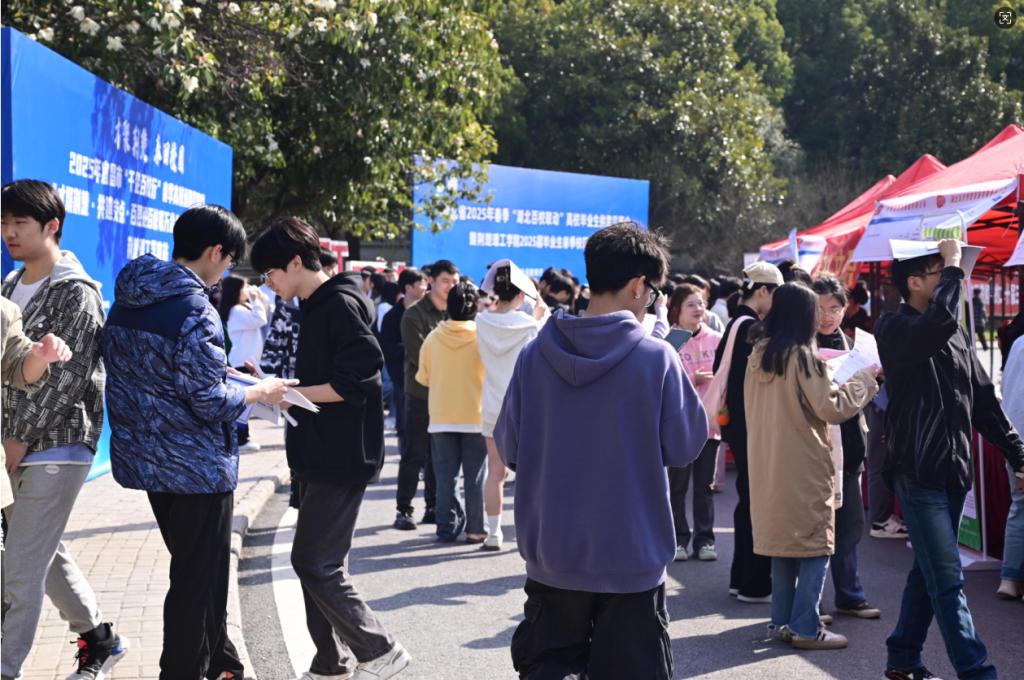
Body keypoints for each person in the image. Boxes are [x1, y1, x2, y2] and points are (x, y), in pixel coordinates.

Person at [494, 222, 708, 679]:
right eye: (654, 292)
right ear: (638, 286)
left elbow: (510, 448)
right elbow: (685, 445)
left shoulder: (534, 355)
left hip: (553, 556)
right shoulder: (657, 358)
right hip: (632, 558)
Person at [101, 204, 294, 679]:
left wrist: (222, 372)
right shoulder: (195, 309)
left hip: (147, 462)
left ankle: (225, 665)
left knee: (199, 574)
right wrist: (260, 391)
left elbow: (156, 375)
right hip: (196, 468)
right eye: (229, 261)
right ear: (215, 251)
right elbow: (208, 401)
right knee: (195, 582)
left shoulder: (129, 297)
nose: (227, 271)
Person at [251, 217, 411, 680]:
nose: (267, 283)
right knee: (319, 563)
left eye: (269, 273)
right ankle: (329, 662)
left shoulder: (339, 303)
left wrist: (286, 395)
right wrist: (280, 388)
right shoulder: (316, 303)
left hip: (341, 454)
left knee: (313, 561)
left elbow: (358, 379)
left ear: (294, 262)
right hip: (318, 450)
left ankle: (380, 650)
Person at [876, 239, 1024, 680]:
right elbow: (936, 323)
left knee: (928, 572)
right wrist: (956, 265)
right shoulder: (893, 326)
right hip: (916, 469)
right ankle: (978, 672)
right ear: (914, 283)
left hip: (954, 471)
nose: (952, 279)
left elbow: (984, 402)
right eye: (940, 273)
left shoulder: (954, 333)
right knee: (947, 577)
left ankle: (903, 658)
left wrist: (1017, 452)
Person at [0, 179, 127, 680]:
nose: (9, 232)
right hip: (12, 445)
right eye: (4, 223)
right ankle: (99, 639)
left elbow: (68, 381)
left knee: (19, 570)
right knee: (42, 554)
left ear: (52, 226)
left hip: (58, 445)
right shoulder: (10, 287)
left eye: (20, 222)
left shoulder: (77, 292)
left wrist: (19, 439)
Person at [745, 283, 879, 650]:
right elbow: (831, 408)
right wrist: (865, 378)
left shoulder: (759, 354)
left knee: (783, 546)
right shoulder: (802, 356)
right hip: (804, 463)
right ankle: (806, 626)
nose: (821, 317)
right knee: (817, 545)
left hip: (768, 462)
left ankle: (782, 621)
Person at [812, 276, 882, 620]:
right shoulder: (800, 349)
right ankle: (811, 603)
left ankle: (850, 595)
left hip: (851, 447)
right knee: (815, 530)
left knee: (850, 527)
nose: (828, 316)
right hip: (816, 451)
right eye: (820, 308)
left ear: (846, 309)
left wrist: (872, 377)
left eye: (835, 308)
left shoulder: (856, 347)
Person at [712, 261, 782, 603]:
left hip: (738, 425)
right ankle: (754, 583)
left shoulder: (735, 322)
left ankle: (741, 579)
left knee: (748, 500)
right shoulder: (752, 327)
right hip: (751, 425)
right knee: (757, 503)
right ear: (764, 290)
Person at [477, 260, 548, 551]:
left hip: (492, 403)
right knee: (532, 475)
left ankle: (493, 533)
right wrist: (539, 314)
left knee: (495, 472)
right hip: (526, 405)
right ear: (521, 294)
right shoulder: (531, 325)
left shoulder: (481, 321)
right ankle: (531, 533)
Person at [415, 282, 487, 543]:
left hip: (441, 416)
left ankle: (446, 528)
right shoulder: (483, 337)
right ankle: (476, 529)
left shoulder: (434, 338)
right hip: (476, 415)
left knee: (445, 478)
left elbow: (423, 378)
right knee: (475, 477)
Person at [393, 260, 458, 531]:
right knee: (414, 453)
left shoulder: (457, 313)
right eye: (445, 281)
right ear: (431, 281)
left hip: (446, 394)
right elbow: (421, 357)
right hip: (420, 393)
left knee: (438, 454)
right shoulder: (414, 315)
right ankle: (404, 509)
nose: (451, 286)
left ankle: (433, 507)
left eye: (454, 281)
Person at [666, 283, 722, 562]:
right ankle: (678, 540)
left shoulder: (717, 339)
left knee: (704, 487)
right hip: (679, 425)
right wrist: (693, 379)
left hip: (710, 425)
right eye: (691, 304)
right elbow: (663, 380)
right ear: (676, 309)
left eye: (701, 303)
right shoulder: (670, 340)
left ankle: (705, 541)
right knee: (677, 488)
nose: (698, 309)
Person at [220, 275, 271, 453]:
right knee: (243, 404)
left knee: (246, 404)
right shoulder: (236, 310)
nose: (248, 289)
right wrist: (255, 299)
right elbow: (260, 319)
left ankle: (242, 439)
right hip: (241, 362)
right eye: (245, 286)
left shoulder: (243, 308)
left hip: (247, 361)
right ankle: (241, 440)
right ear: (236, 291)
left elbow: (266, 312)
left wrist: (259, 298)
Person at [380, 268, 427, 454]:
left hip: (428, 379)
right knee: (405, 428)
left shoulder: (428, 313)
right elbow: (388, 348)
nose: (425, 287)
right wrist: (413, 347)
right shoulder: (392, 317)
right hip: (403, 380)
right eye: (421, 283)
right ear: (408, 287)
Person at [998, 335, 1024, 599]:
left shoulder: (1018, 343)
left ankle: (1010, 577)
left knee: (1019, 506)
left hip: (1013, 438)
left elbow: (1004, 385)